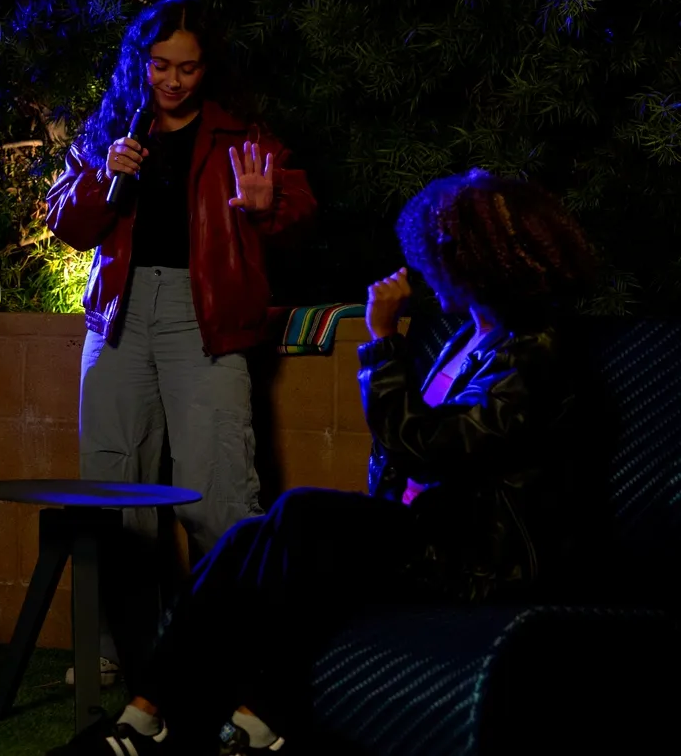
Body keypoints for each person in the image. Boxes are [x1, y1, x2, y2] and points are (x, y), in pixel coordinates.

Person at [47, 169, 598, 756]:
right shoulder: (471, 338)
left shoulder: (537, 352)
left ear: (476, 261)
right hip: (434, 532)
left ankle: (256, 715)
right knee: (247, 540)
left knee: (303, 514)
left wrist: (381, 342)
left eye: (441, 258)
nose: (429, 271)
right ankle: (147, 713)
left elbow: (432, 448)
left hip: (483, 557)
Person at [45, 0, 316, 682]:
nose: (172, 80)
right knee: (113, 487)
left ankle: (238, 657)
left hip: (206, 316)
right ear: (140, 63)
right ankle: (118, 648)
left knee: (216, 490)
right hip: (119, 315)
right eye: (160, 65)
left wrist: (269, 206)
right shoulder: (113, 129)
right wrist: (107, 177)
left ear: (208, 67)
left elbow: (299, 205)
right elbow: (66, 222)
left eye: (187, 68)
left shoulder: (238, 135)